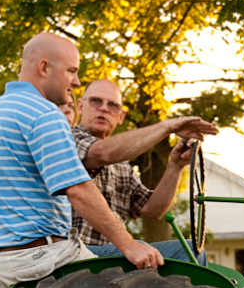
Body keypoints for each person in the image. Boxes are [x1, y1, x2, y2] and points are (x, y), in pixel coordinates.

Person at [0, 33, 159, 288]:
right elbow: (78, 189)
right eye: (71, 71)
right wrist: (130, 245)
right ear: (44, 68)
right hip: (40, 260)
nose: (77, 82)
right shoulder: (43, 113)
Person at [69, 78, 217, 263]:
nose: (104, 108)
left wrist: (175, 166)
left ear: (121, 116)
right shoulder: (68, 139)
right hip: (76, 253)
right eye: (96, 101)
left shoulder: (122, 165)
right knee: (140, 245)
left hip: (114, 253)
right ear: (80, 107)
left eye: (112, 105)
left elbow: (153, 209)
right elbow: (103, 153)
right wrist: (168, 126)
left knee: (190, 250)